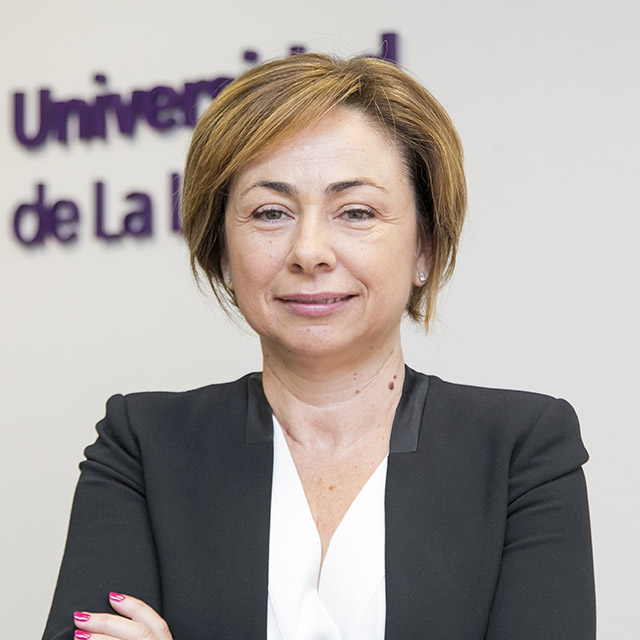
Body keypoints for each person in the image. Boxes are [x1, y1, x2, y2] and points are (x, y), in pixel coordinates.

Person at [42, 54, 596, 640]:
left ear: (425, 248)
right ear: (223, 251)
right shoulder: (143, 445)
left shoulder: (521, 451)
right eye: (270, 212)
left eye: (355, 212)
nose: (309, 252)